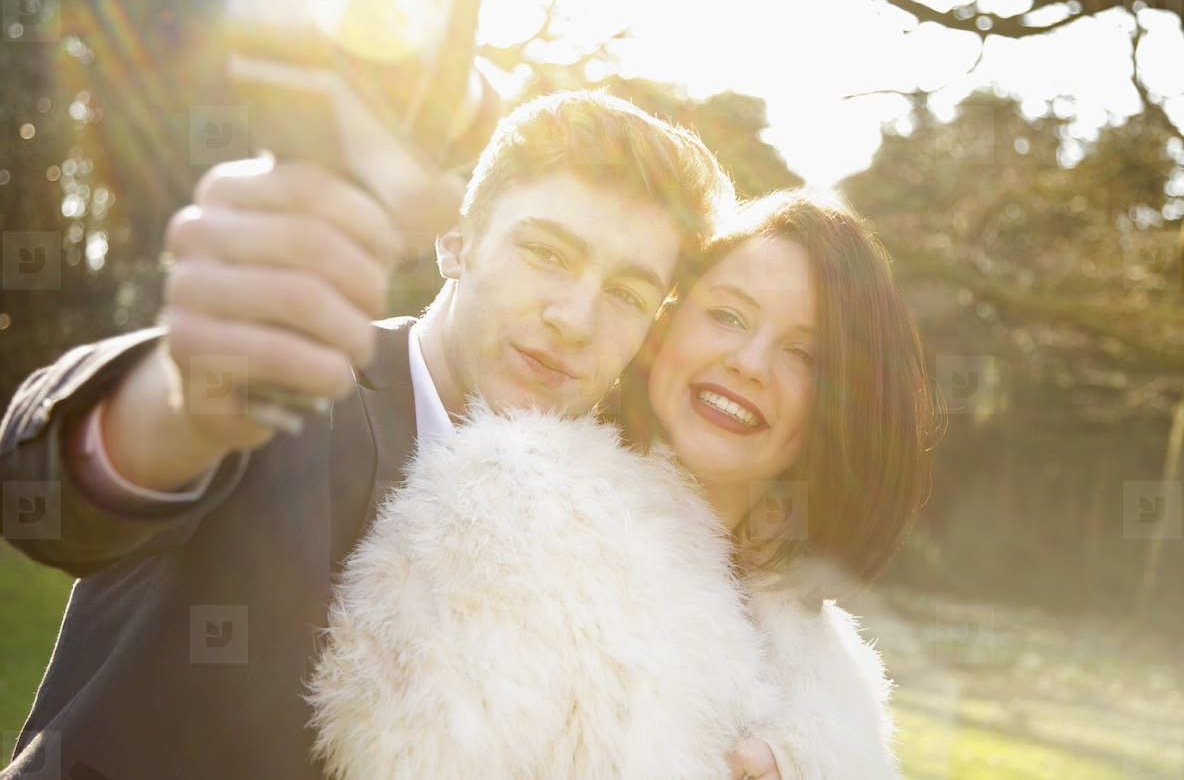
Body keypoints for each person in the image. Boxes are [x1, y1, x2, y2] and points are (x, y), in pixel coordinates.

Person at [0, 90, 733, 779]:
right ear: (455, 241)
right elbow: (46, 497)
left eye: (627, 293)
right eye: (547, 253)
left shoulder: (619, 528)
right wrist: (180, 402)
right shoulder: (289, 388)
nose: (574, 318)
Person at [306, 190, 936, 778]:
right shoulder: (506, 502)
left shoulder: (833, 681)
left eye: (805, 354)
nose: (749, 362)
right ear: (664, 326)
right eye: (727, 315)